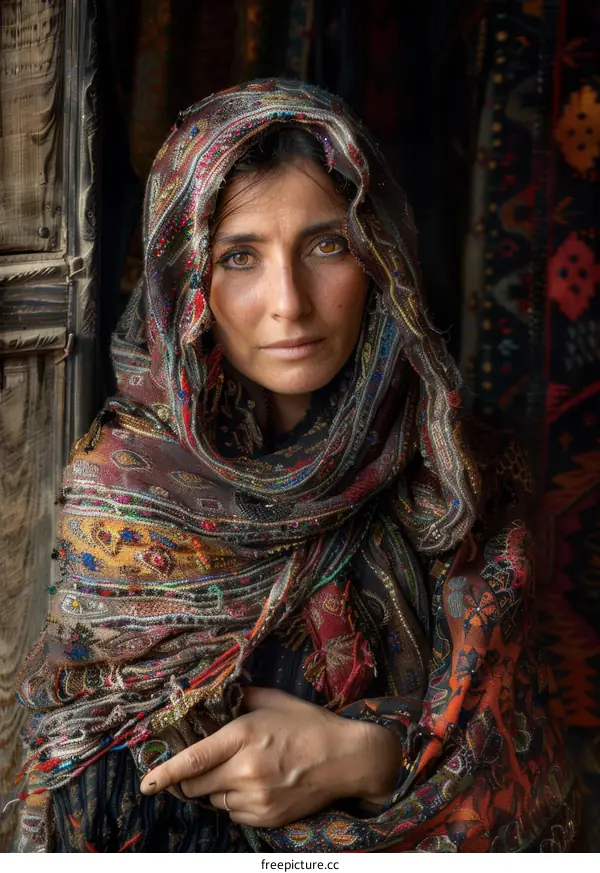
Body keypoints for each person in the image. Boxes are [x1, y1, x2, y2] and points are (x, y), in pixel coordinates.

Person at [16, 79, 577, 853]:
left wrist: (369, 758)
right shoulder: (126, 496)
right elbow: (92, 798)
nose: (289, 302)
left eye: (327, 244)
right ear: (186, 282)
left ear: (380, 253)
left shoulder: (466, 477)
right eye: (239, 256)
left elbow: (532, 768)